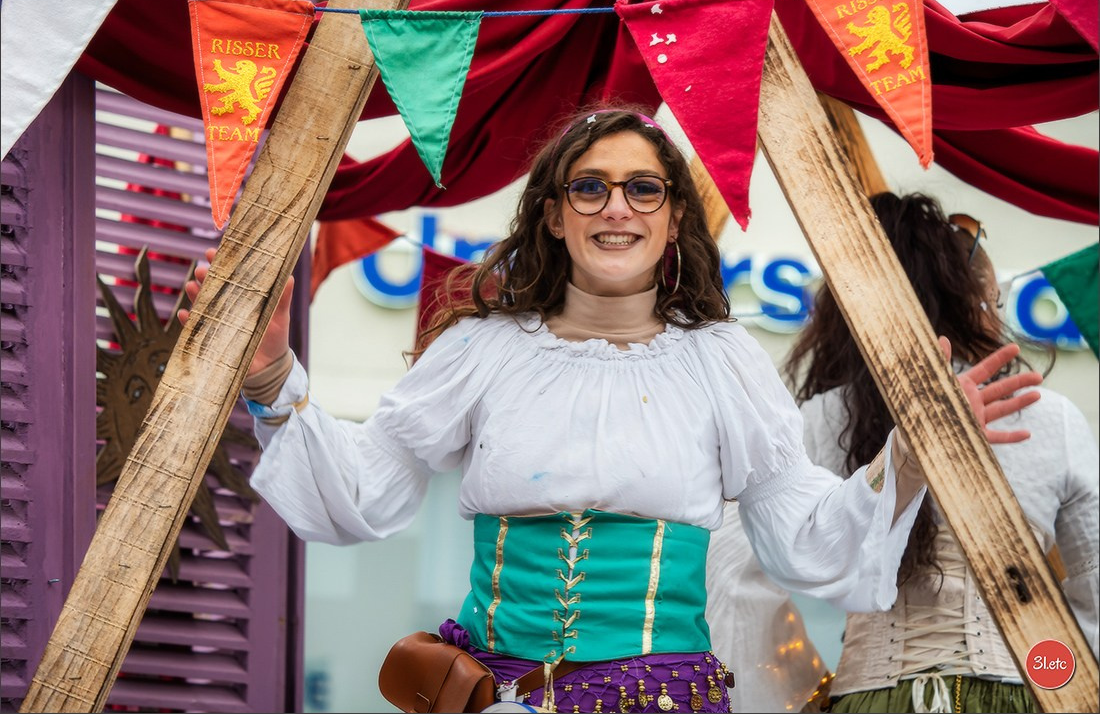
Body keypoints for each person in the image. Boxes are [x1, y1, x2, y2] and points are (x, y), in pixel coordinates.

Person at [183, 110, 1041, 713]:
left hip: (662, 700)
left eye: (642, 189)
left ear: (673, 220)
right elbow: (364, 490)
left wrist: (912, 458)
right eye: (589, 189)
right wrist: (268, 379)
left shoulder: (720, 359)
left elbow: (804, 533)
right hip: (494, 693)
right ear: (553, 216)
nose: (616, 208)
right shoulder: (484, 348)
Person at [709, 192, 1098, 714]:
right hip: (1024, 697)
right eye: (995, 300)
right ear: (974, 300)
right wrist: (1070, 686)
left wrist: (797, 691)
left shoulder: (819, 418)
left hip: (868, 698)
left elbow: (735, 581)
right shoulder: (1048, 415)